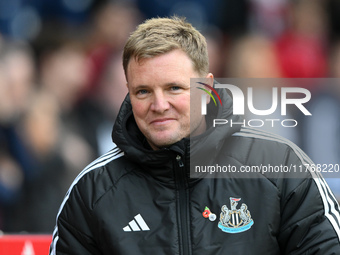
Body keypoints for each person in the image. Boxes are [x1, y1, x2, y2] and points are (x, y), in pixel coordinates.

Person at [49, 16, 340, 254]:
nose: (159, 105)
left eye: (174, 87)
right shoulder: (93, 190)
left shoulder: (282, 165)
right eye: (143, 91)